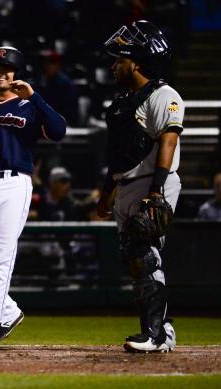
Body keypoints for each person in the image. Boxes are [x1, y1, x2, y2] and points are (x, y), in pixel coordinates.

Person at [96, 20, 182, 353]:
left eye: (120, 60)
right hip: (126, 185)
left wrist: (157, 190)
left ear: (136, 63)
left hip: (151, 182)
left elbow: (168, 141)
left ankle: (156, 334)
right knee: (136, 258)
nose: (115, 65)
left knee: (144, 255)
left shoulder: (164, 94)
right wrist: (107, 195)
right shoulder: (120, 104)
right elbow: (116, 156)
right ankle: (164, 327)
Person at [0, 46, 66, 344]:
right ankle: (8, 310)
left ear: (16, 73)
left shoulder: (28, 106)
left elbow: (59, 130)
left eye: (7, 68)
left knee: (0, 256)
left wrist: (33, 96)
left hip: (13, 183)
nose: (1, 72)